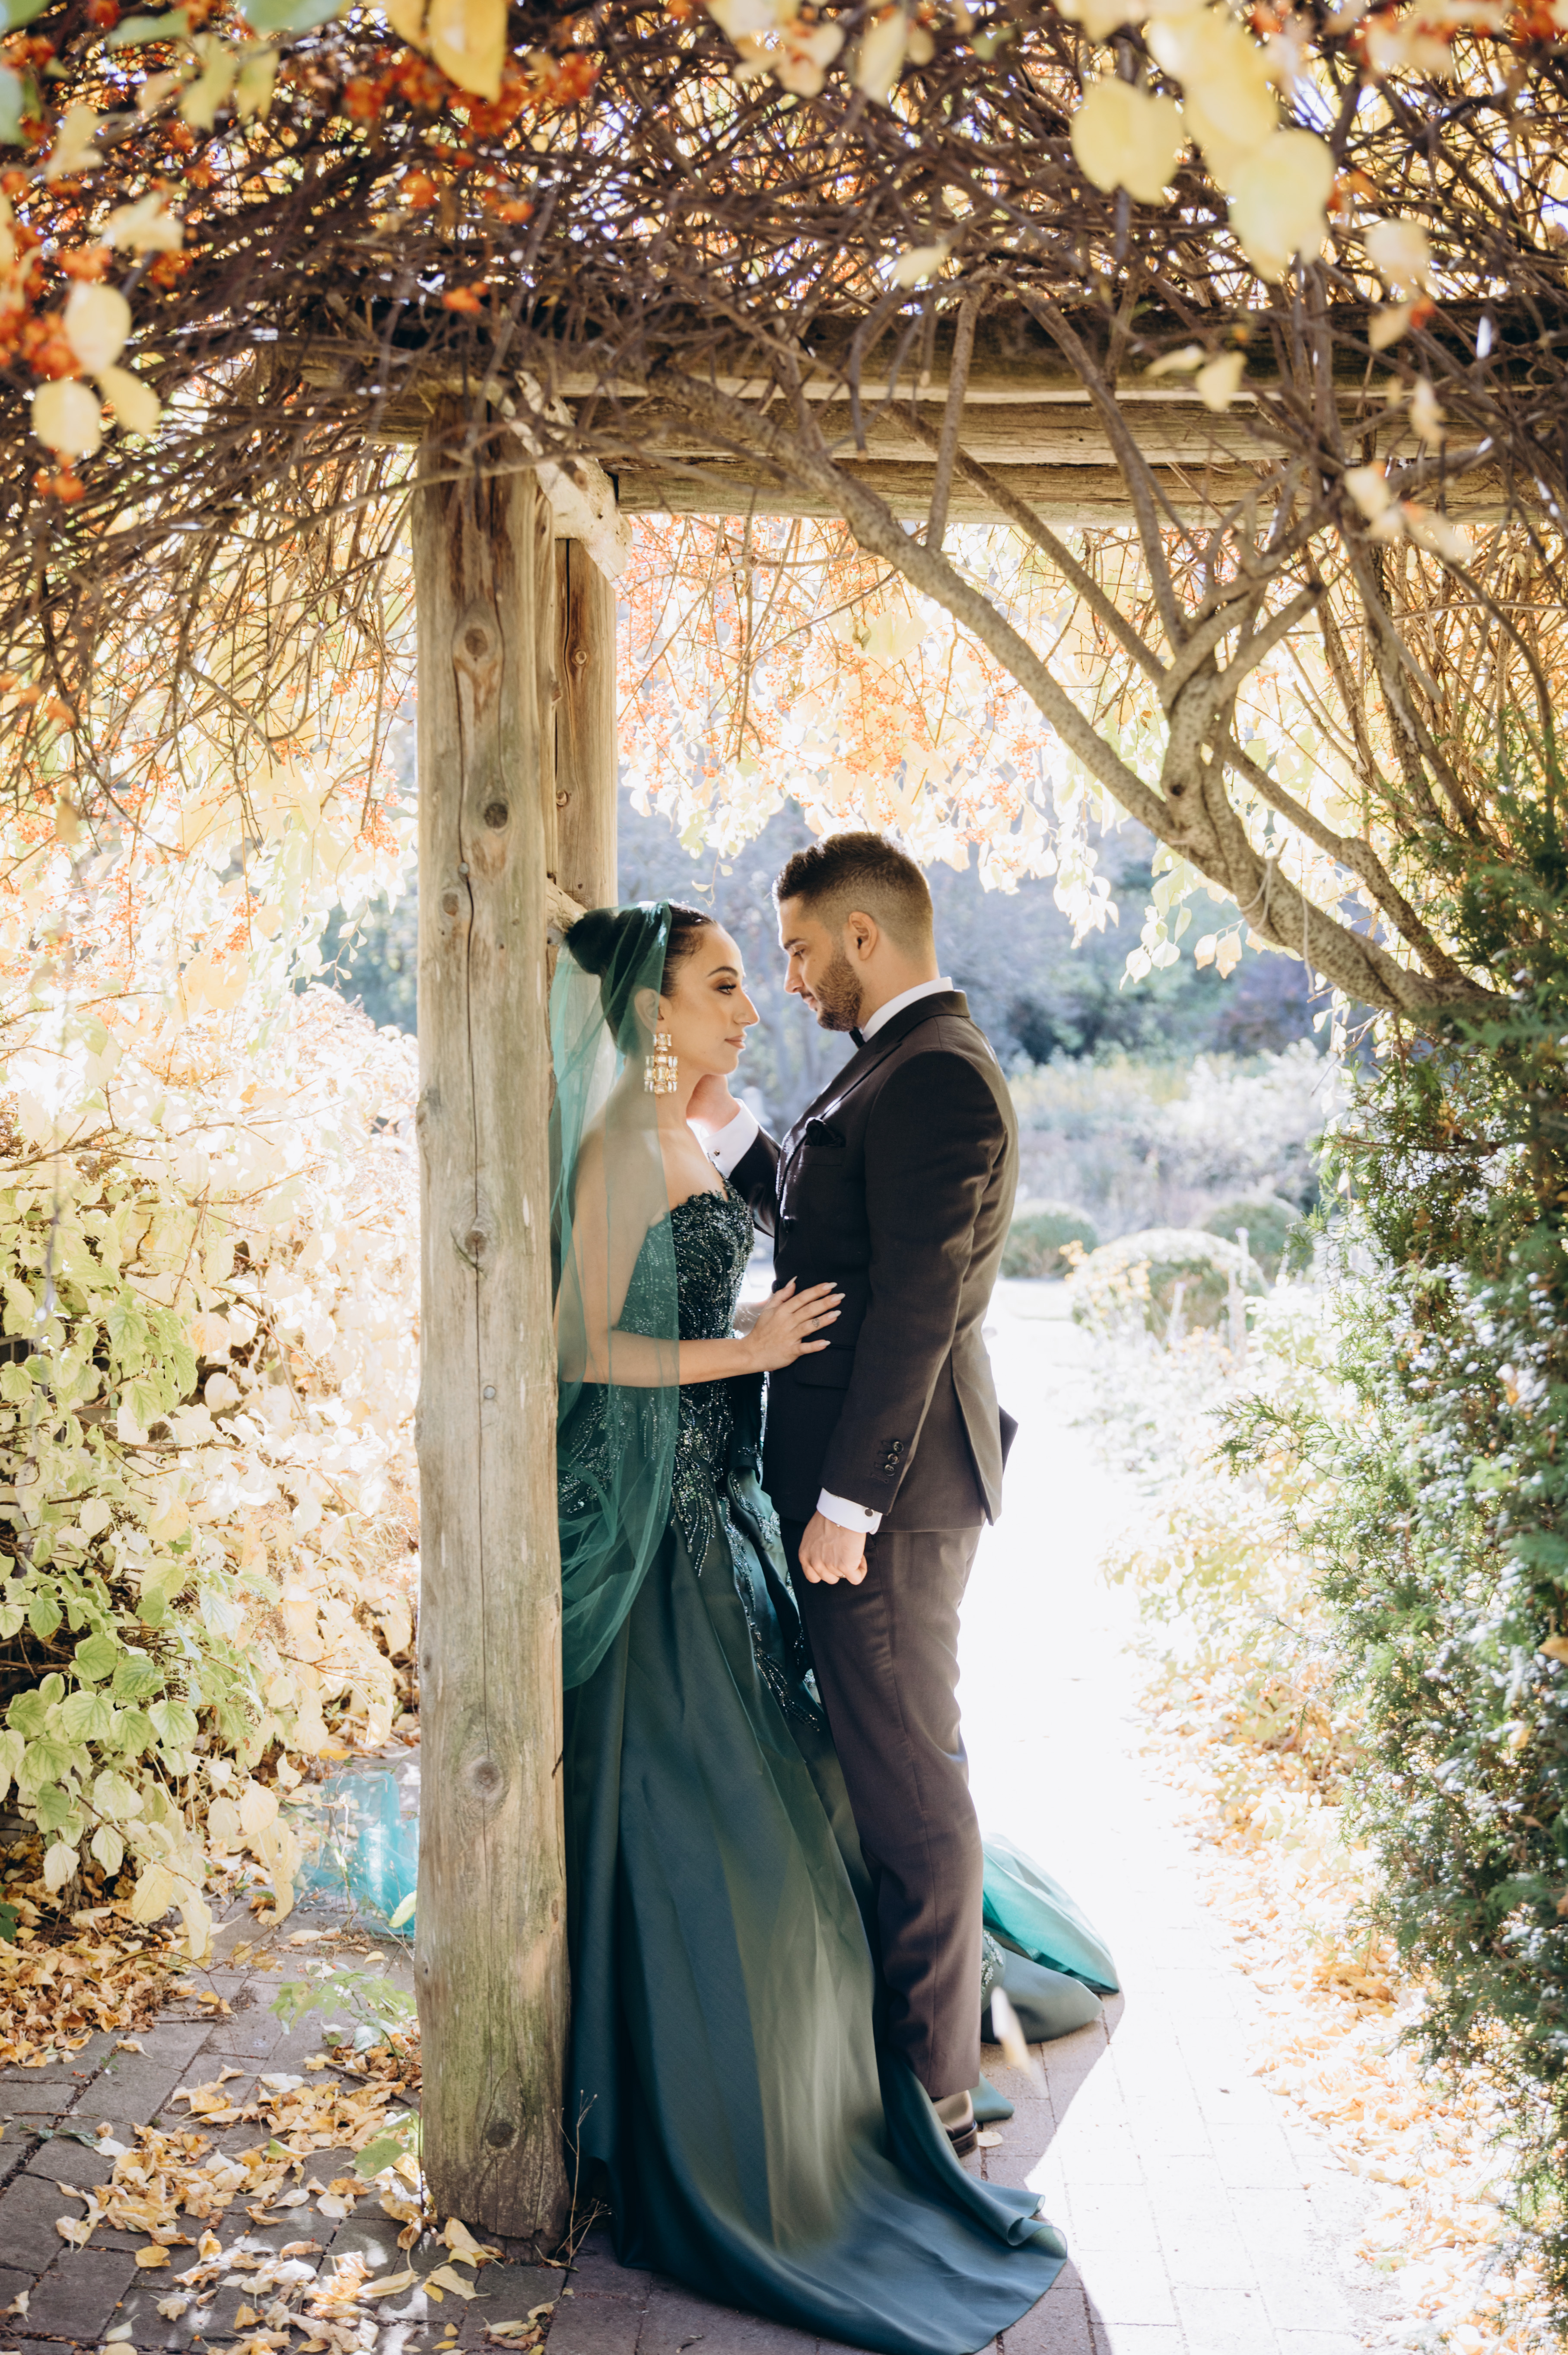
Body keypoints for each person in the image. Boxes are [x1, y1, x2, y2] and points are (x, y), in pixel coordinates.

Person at [551, 896, 1066, 2355]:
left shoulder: (705, 1133)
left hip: (730, 1515)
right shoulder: (617, 1148)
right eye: (724, 983)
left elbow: (881, 1271)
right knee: (730, 1831)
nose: (753, 1001)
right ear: (653, 1013)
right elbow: (581, 1343)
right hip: (668, 1532)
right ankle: (746, 2117)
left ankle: (866, 2086)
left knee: (834, 1795)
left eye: (759, 972)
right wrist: (748, 1347)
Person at [689, 832, 1016, 2157]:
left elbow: (915, 1312)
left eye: (799, 949)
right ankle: (930, 2054)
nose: (790, 977)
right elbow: (834, 1233)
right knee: (897, 1763)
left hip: (894, 1497)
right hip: (875, 1491)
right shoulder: (896, 1063)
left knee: (911, 1787)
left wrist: (849, 1505)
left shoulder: (934, 1074)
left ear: (863, 936)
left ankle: (937, 2100)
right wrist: (717, 1122)